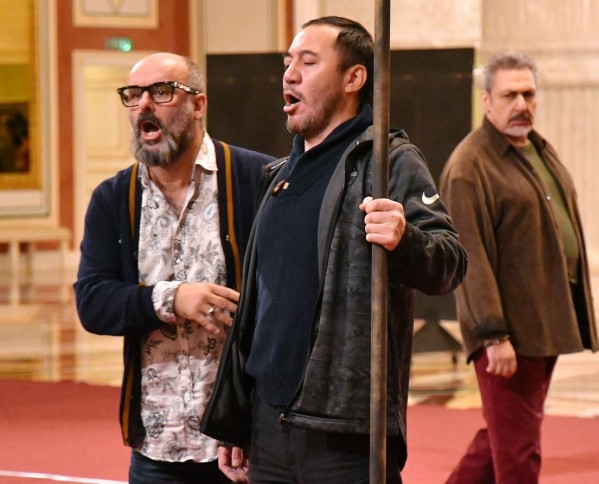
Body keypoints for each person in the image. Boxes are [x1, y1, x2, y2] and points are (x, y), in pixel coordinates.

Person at [200, 16, 467, 483]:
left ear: (353, 78)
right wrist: (237, 419)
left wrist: (405, 239)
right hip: (267, 427)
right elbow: (258, 310)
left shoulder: (388, 161)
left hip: (344, 433)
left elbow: (450, 262)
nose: (289, 75)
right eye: (287, 63)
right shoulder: (278, 177)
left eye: (307, 62)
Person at [74, 52, 275, 483]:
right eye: (133, 95)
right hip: (157, 447)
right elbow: (92, 303)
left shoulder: (259, 178)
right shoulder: (113, 199)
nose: (144, 105)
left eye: (161, 92)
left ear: (198, 104)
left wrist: (256, 423)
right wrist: (172, 298)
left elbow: (290, 305)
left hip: (244, 443)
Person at [439, 51, 599, 483]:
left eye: (528, 94)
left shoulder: (538, 149)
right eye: (509, 95)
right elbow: (470, 258)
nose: (521, 104)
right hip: (510, 331)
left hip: (544, 322)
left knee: (502, 439)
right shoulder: (470, 166)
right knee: (518, 453)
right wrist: (494, 335)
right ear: (486, 100)